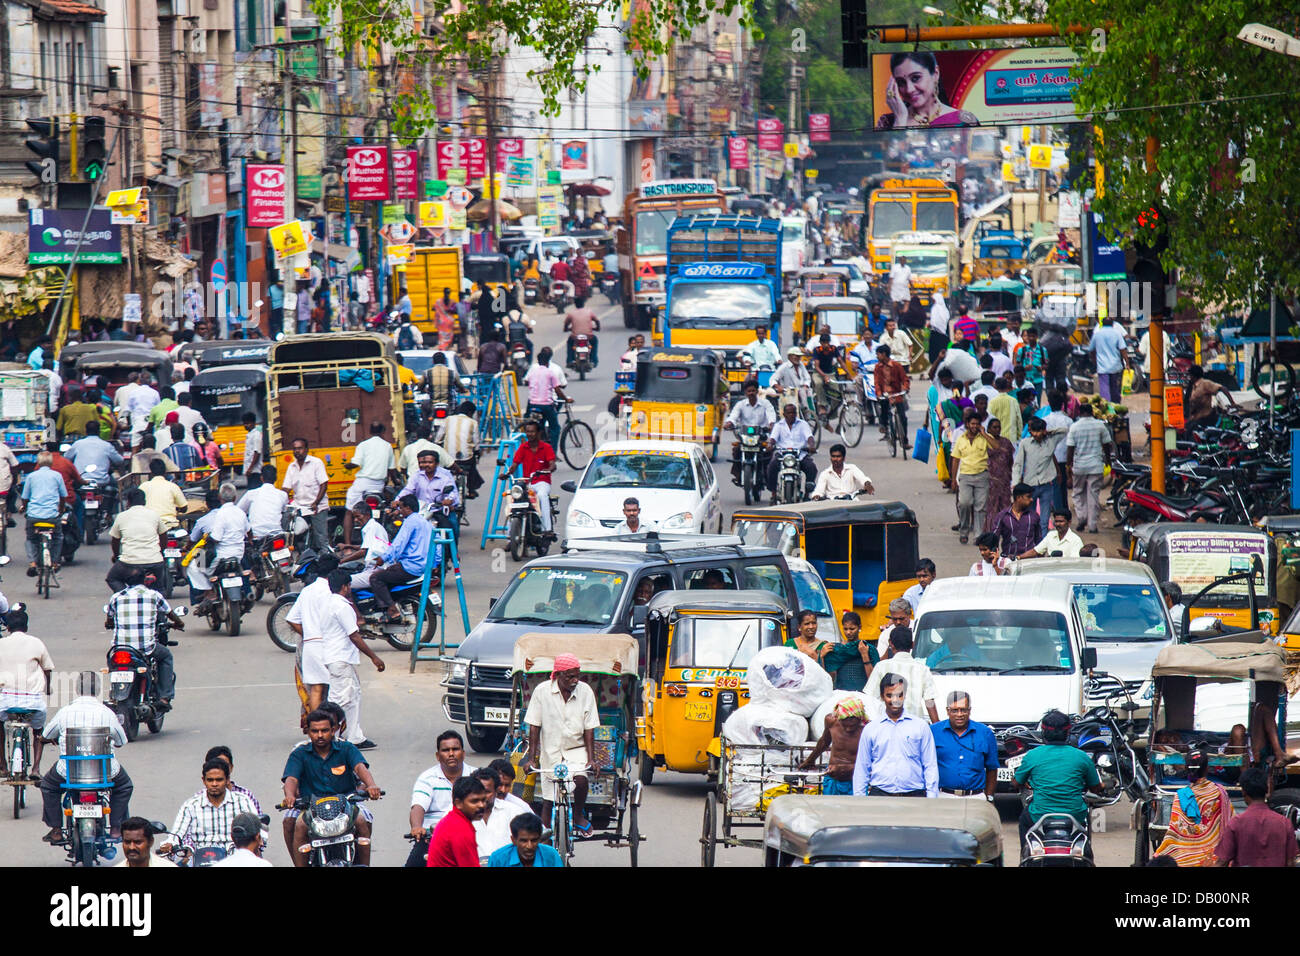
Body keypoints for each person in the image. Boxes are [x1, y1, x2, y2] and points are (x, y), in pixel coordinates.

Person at [281, 707, 381, 867]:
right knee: (296, 824)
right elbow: (291, 778)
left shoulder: (347, 749)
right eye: (315, 731)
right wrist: (290, 796)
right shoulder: (299, 753)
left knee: (362, 821)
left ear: (333, 730)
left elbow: (360, 768)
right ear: (308, 731)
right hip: (310, 807)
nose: (320, 735)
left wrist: (372, 785)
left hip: (347, 803)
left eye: (325, 730)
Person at [39, 672, 133, 842]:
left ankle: (56, 829)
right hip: (104, 772)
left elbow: (46, 734)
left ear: (77, 689)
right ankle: (116, 828)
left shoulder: (65, 712)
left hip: (69, 772)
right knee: (124, 786)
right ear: (97, 690)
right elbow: (122, 740)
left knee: (48, 786)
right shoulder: (107, 713)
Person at [520, 651, 600, 834]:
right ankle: (548, 846)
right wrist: (532, 759)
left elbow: (589, 728)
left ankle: (578, 815)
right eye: (570, 676)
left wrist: (591, 759)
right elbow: (534, 726)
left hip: (576, 750)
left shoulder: (585, 691)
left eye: (577, 676)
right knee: (549, 801)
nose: (575, 680)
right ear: (557, 675)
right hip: (551, 752)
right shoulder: (542, 691)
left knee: (581, 780)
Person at [1014, 710, 1102, 859]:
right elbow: (1096, 787)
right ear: (1068, 733)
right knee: (1086, 827)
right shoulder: (1081, 756)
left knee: (1023, 821)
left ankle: (1026, 856)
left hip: (1038, 814)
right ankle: (1085, 856)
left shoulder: (1033, 755)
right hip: (1075, 814)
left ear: (1043, 732)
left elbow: (1017, 782)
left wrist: (1029, 782)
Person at [106, 566, 184, 708]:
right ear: (144, 580)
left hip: (120, 648)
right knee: (166, 657)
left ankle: (114, 694)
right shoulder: (154, 595)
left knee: (113, 666)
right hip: (145, 648)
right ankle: (164, 697)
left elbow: (109, 618)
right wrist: (179, 623)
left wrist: (109, 623)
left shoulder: (116, 597)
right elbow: (170, 613)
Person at [852, 674, 938, 796]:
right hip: (880, 796)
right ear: (882, 696)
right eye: (889, 695)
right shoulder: (871, 729)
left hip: (914, 796)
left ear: (905, 695)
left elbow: (930, 765)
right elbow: (862, 768)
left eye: (899, 695)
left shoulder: (920, 726)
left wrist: (932, 799)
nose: (895, 700)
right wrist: (860, 799)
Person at [162, 758, 260, 856]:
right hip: (201, 858)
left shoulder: (242, 801)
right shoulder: (191, 805)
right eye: (210, 780)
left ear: (227, 780)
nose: (214, 784)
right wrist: (170, 843)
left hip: (235, 858)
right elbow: (177, 832)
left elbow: (257, 828)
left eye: (219, 780)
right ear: (203, 781)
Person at [1153, 751, 1233, 866]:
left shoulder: (1180, 796)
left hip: (1184, 861)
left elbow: (1174, 833)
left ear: (1186, 768)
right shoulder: (1220, 793)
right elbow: (1230, 826)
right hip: (1214, 861)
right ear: (1206, 769)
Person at [0, 608, 53, 775]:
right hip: (33, 701)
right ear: (26, 626)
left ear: (7, 628)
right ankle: (36, 768)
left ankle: (2, 765)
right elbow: (47, 669)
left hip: (5, 700)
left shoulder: (1, 644)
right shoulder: (36, 643)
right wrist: (48, 688)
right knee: (38, 730)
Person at [875, 50, 980, 129]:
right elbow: (889, 158)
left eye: (915, 78)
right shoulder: (888, 122)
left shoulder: (963, 121)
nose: (909, 89)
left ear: (935, 74)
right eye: (901, 82)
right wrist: (900, 120)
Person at [1214, 767, 1297, 867]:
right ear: (1267, 790)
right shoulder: (1284, 823)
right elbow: (1290, 863)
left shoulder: (1236, 823)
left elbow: (1222, 862)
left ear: (1244, 792)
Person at [189, 482, 250, 613]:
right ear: (235, 498)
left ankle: (208, 590)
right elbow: (248, 532)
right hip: (238, 555)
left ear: (220, 498)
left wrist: (207, 539)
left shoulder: (221, 514)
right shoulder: (241, 513)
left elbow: (216, 538)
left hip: (221, 557)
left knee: (193, 566)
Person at [863, 626, 939, 723]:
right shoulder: (922, 669)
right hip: (914, 726)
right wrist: (937, 727)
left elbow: (870, 698)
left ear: (890, 643)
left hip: (886, 725)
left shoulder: (881, 667)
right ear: (912, 645)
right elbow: (929, 702)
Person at [932, 691, 998, 800]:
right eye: (954, 710)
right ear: (947, 711)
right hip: (943, 796)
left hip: (976, 797)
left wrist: (989, 797)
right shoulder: (934, 732)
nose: (959, 714)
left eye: (963, 710)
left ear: (969, 710)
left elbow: (992, 768)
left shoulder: (985, 733)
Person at [342, 422, 398, 545]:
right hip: (378, 486)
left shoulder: (363, 445)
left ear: (370, 431)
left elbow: (356, 463)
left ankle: (347, 545)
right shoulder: (387, 446)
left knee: (349, 511)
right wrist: (397, 482)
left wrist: (348, 465)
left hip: (362, 484)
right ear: (383, 431)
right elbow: (392, 469)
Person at [1013, 415, 1067, 536]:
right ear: (1030, 431)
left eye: (1039, 431)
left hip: (1046, 485)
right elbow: (1018, 464)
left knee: (1044, 519)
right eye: (1034, 431)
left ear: (1043, 430)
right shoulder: (1025, 443)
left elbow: (1065, 430)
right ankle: (1031, 541)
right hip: (1029, 487)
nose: (1036, 434)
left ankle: (1042, 545)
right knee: (1030, 518)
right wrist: (1016, 483)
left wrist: (1049, 432)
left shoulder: (1051, 441)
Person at [801, 697, 867, 795]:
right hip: (833, 779)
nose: (848, 729)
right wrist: (809, 761)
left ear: (859, 719)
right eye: (844, 726)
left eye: (852, 726)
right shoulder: (831, 721)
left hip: (854, 782)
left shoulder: (867, 729)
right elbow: (824, 741)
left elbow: (871, 760)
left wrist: (847, 767)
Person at [105, 488, 166, 593]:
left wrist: (116, 556)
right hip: (155, 562)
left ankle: (125, 596)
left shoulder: (121, 516)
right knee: (159, 589)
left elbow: (115, 540)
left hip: (129, 563)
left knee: (112, 578)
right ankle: (159, 606)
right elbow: (164, 536)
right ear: (145, 501)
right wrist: (160, 552)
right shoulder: (154, 514)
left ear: (128, 502)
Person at [1066, 402, 1112, 534]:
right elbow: (1107, 445)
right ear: (1092, 412)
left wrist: (1069, 466)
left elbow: (1070, 448)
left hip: (1079, 466)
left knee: (1078, 492)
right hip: (1096, 466)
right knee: (1093, 494)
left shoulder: (1074, 427)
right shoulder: (1100, 425)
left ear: (1080, 413)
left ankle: (1082, 517)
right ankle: (1092, 525)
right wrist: (1108, 461)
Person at [19, 450, 67, 576]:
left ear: (38, 463)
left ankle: (33, 563)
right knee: (58, 537)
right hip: (52, 516)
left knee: (31, 539)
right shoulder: (57, 476)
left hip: (34, 516)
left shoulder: (31, 476)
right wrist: (60, 509)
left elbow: (25, 497)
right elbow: (63, 496)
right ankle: (55, 562)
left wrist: (24, 507)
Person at [724, 378, 777, 489]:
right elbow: (733, 416)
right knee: (737, 451)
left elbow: (771, 415)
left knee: (768, 454)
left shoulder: (765, 403)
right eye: (749, 391)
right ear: (745, 393)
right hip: (745, 437)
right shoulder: (740, 405)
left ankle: (769, 479)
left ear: (757, 391)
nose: (751, 393)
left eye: (753, 391)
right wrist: (729, 423)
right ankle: (738, 476)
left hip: (761, 436)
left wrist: (771, 424)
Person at [426, 774, 488, 867]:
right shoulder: (460, 829)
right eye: (474, 801)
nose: (481, 805)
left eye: (483, 800)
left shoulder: (452, 820)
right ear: (458, 803)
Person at [283, 437, 330, 554]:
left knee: (321, 539)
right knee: (291, 534)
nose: (297, 451)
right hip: (299, 507)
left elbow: (324, 484)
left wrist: (316, 502)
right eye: (294, 449)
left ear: (307, 449)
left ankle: (325, 559)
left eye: (300, 448)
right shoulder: (291, 467)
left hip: (317, 507)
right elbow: (286, 488)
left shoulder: (316, 463)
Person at [510, 419, 557, 536]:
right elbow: (514, 464)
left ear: (538, 433)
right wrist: (507, 473)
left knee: (542, 496)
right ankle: (510, 537)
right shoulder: (523, 447)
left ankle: (547, 528)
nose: (529, 434)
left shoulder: (546, 447)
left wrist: (548, 469)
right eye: (527, 432)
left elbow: (552, 464)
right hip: (528, 483)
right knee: (514, 501)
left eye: (532, 432)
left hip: (542, 482)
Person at [951, 410, 990, 545]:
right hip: (965, 475)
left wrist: (984, 433)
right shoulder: (961, 439)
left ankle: (978, 535)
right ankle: (964, 530)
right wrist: (953, 480)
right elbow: (955, 459)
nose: (974, 426)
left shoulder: (985, 437)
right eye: (972, 423)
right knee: (964, 503)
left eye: (977, 424)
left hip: (982, 475)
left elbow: (996, 447)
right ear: (967, 424)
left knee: (981, 506)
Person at [766, 403, 818, 503]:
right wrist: (770, 445)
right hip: (783, 454)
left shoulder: (803, 424)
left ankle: (807, 494)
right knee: (771, 467)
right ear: (784, 414)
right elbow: (773, 438)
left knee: (811, 467)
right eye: (789, 413)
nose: (791, 415)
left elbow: (810, 437)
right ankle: (773, 493)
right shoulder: (778, 425)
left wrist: (811, 446)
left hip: (800, 454)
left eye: (793, 412)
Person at [524, 347, 569, 449]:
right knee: (555, 428)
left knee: (538, 423)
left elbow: (526, 381)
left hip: (532, 404)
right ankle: (552, 452)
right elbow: (558, 390)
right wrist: (566, 399)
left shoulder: (532, 371)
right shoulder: (550, 372)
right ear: (548, 361)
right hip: (546, 405)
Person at [488, 811, 564, 867]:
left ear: (539, 839)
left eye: (534, 840)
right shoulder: (498, 859)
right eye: (524, 841)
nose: (529, 846)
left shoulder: (551, 855)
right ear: (513, 840)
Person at [239, 462, 288, 543]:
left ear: (261, 478)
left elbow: (239, 511)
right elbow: (284, 511)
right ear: (276, 478)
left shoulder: (251, 494)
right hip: (277, 535)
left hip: (257, 535)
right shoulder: (283, 495)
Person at [873, 344, 910, 448]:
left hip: (896, 393)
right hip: (885, 395)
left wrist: (906, 388)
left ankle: (905, 440)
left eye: (878, 354)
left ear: (884, 354)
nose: (877, 356)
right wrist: (879, 393)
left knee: (903, 417)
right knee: (884, 409)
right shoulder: (877, 367)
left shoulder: (896, 366)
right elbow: (876, 382)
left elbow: (905, 379)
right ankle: (884, 425)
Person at [980, 417, 1013, 530]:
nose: (997, 429)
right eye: (994, 427)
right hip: (991, 480)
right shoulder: (984, 441)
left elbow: (1010, 460)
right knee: (991, 508)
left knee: (1005, 506)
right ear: (989, 429)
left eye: (999, 427)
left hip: (1004, 480)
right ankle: (990, 532)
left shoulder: (1006, 442)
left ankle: (1005, 530)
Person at [989, 483, 1038, 558]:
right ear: (1018, 497)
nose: (1031, 499)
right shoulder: (1002, 516)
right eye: (1028, 497)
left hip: (1029, 560)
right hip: (1008, 559)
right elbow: (993, 539)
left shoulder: (1034, 516)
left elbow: (1039, 541)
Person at [335, 500, 390, 569]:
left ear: (367, 515)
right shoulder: (371, 526)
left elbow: (364, 551)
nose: (355, 520)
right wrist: (347, 546)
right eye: (354, 517)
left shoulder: (371, 527)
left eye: (358, 516)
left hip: (378, 566)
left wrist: (342, 561)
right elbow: (365, 547)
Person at [1087, 316, 1130, 403]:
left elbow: (1091, 350)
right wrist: (1127, 363)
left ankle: (1107, 406)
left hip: (1102, 366)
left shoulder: (1097, 334)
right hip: (1115, 365)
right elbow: (1123, 349)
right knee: (1115, 387)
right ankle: (1116, 405)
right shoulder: (1117, 333)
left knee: (1104, 388)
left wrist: (1094, 361)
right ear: (1112, 324)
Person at [444, 401, 483, 496]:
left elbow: (439, 436)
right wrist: (477, 452)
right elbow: (476, 442)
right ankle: (471, 490)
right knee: (472, 464)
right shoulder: (473, 423)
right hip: (466, 459)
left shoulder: (448, 419)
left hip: (449, 458)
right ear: (470, 413)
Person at [140, 457, 186, 532]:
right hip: (169, 525)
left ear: (151, 472)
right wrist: (176, 508)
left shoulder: (143, 486)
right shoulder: (172, 486)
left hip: (149, 526)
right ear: (165, 472)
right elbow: (184, 508)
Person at [563, 295, 601, 369]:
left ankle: (570, 360)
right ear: (583, 304)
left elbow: (566, 324)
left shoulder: (571, 313)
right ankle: (593, 360)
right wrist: (597, 328)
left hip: (575, 337)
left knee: (570, 343)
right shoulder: (589, 312)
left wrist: (566, 329)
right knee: (594, 342)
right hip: (588, 336)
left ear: (575, 304)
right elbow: (597, 321)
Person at [887, 254, 912, 319]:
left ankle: (903, 315)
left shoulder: (908, 268)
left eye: (904, 260)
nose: (903, 261)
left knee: (907, 301)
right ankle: (895, 315)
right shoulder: (895, 267)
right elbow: (891, 278)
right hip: (895, 288)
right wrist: (889, 288)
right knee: (895, 303)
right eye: (902, 260)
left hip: (904, 287)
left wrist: (913, 287)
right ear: (900, 260)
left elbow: (909, 279)